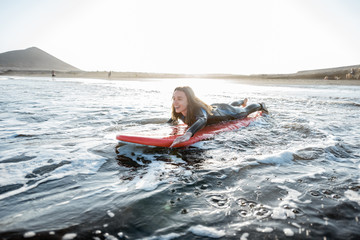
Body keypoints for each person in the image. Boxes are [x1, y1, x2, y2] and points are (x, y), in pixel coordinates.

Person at [168, 86, 268, 147]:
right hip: (216, 107)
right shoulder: (179, 111)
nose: (175, 102)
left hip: (225, 112)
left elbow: (202, 119)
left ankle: (261, 105)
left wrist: (188, 134)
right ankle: (242, 101)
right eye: (174, 98)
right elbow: (172, 120)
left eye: (179, 99)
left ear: (189, 100)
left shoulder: (197, 109)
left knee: (244, 111)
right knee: (230, 105)